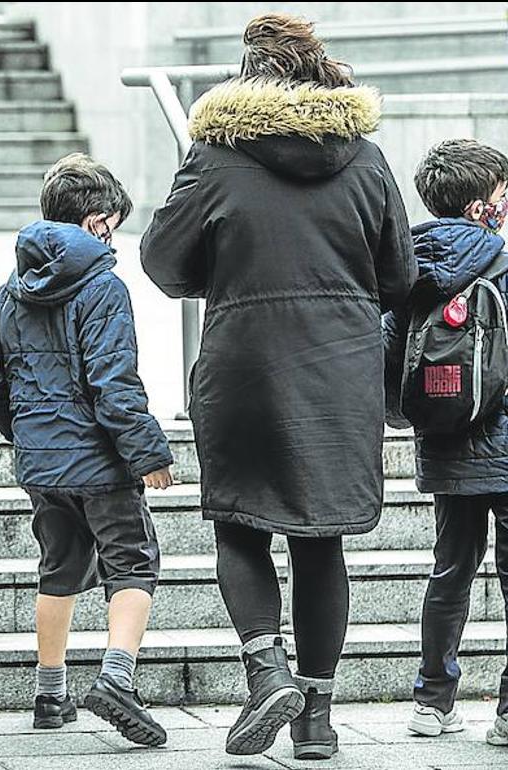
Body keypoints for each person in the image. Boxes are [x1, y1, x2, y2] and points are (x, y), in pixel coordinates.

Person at [139, 13, 415, 760]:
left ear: (246, 76)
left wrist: (226, 277)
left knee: (241, 524)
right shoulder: (367, 159)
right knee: (320, 541)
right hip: (341, 367)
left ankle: (267, 671)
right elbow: (402, 275)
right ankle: (317, 720)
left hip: (245, 363)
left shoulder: (215, 156)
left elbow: (163, 264)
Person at [0, 153, 174, 746]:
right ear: (96, 221)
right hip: (101, 463)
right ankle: (117, 680)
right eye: (113, 225)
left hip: (42, 463)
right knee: (132, 562)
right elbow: (114, 383)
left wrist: (24, 426)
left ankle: (49, 694)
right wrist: (148, 454)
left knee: (59, 566)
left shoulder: (12, 289)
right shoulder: (102, 285)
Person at [382, 139, 508, 746]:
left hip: (447, 447)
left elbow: (388, 354)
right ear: (484, 206)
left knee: (449, 573)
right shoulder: (504, 264)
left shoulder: (411, 268)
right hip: (507, 449)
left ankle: (432, 702)